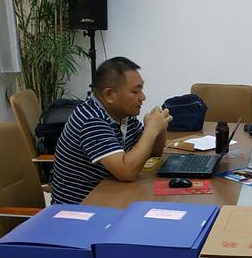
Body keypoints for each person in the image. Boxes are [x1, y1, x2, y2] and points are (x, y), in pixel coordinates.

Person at [50, 57, 170, 205]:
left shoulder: (124, 116)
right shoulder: (91, 121)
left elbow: (153, 153)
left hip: (110, 195)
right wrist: (151, 130)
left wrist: (160, 128)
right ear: (109, 95)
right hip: (79, 209)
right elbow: (127, 172)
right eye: (135, 91)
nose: (143, 97)